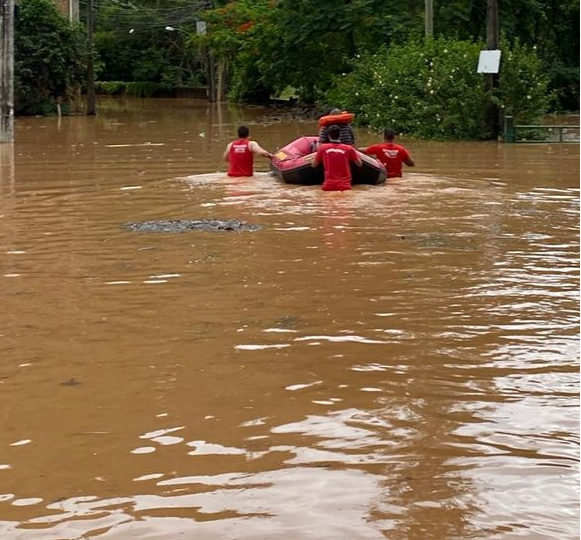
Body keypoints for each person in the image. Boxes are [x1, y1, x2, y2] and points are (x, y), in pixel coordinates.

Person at [312, 125, 362, 192]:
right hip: (344, 186)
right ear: (340, 135)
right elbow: (359, 164)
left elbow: (314, 165)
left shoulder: (322, 148)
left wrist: (313, 157)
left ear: (328, 135)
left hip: (328, 185)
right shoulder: (349, 149)